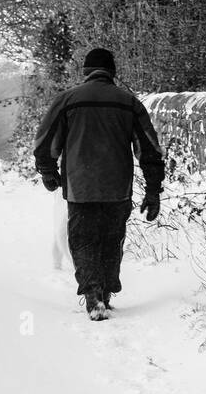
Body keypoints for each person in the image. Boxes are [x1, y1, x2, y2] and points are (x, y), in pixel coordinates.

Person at [33, 47, 165, 321]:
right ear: (113, 72)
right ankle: (104, 292)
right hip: (117, 187)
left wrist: (48, 170)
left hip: (80, 187)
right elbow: (149, 149)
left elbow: (45, 141)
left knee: (82, 240)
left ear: (85, 72)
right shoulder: (128, 103)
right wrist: (153, 190)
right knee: (110, 239)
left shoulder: (67, 100)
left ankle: (92, 293)